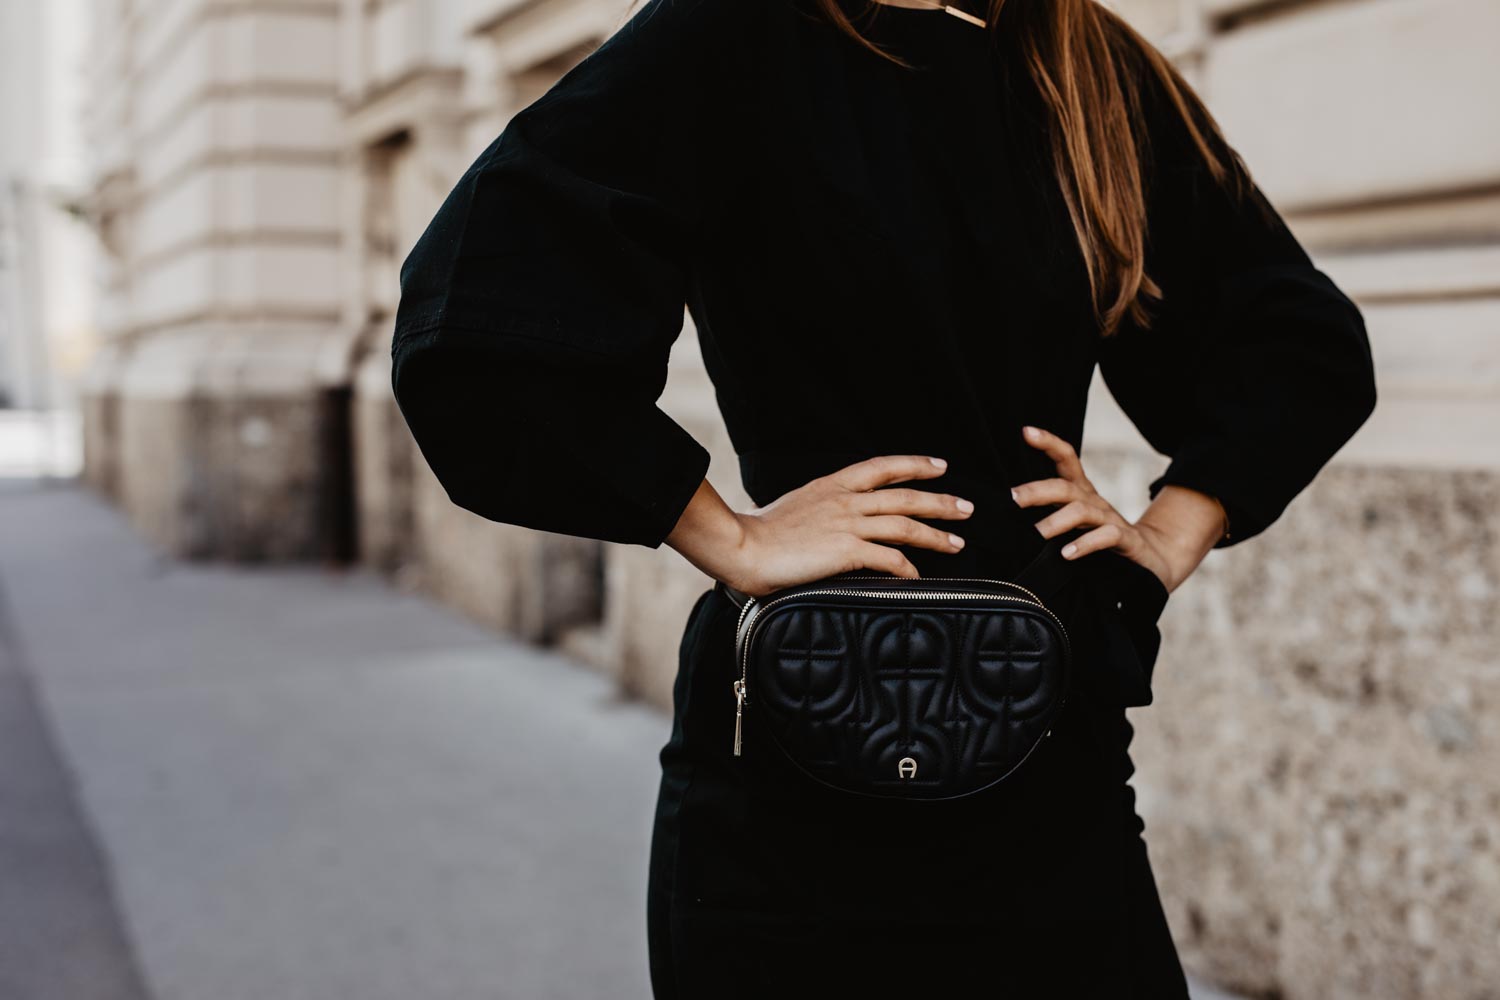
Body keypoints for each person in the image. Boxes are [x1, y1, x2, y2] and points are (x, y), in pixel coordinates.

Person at [389, 0, 1378, 994]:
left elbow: (1296, 344)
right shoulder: (735, 31)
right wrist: (729, 535)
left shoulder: (1087, 63)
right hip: (795, 754)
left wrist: (1169, 530)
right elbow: (480, 315)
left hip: (1044, 743)